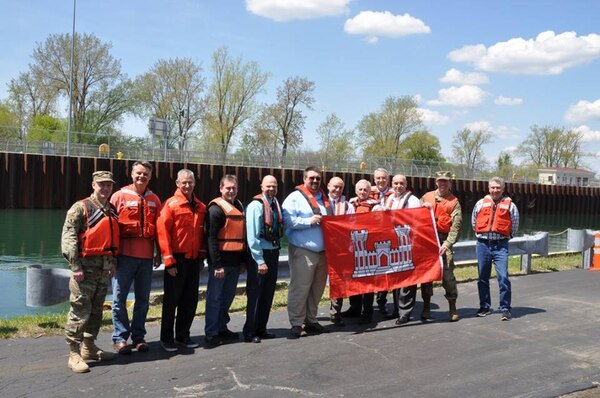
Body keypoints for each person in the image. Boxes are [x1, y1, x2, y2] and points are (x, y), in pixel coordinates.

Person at [62, 171, 118, 373]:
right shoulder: (80, 208)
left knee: (96, 311)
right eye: (101, 184)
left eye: (109, 185)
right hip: (84, 271)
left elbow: (111, 239)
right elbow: (68, 238)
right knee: (79, 310)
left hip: (103, 270)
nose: (105, 188)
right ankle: (74, 353)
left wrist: (113, 261)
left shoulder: (111, 210)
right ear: (93, 184)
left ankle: (89, 347)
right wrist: (75, 266)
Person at [110, 161, 161, 354]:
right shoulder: (118, 196)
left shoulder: (154, 199)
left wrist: (159, 253)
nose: (142, 177)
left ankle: (138, 337)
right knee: (118, 299)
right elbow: (110, 228)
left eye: (146, 174)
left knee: (143, 299)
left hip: (146, 259)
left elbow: (159, 230)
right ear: (132, 174)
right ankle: (120, 337)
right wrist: (112, 257)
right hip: (123, 257)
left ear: (150, 176)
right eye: (139, 173)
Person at [156, 169, 207, 352]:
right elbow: (163, 234)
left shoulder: (201, 207)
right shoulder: (170, 205)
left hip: (193, 261)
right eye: (183, 182)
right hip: (176, 261)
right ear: (177, 183)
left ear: (194, 183)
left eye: (190, 182)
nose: (187, 185)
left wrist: (201, 258)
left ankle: (183, 336)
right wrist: (168, 261)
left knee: (190, 300)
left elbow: (202, 235)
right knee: (171, 301)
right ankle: (167, 338)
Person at [282, 166, 331, 338]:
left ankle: (311, 319)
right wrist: (308, 221)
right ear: (304, 179)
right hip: (303, 250)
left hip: (323, 253)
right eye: (312, 178)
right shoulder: (294, 198)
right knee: (300, 288)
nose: (315, 181)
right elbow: (287, 220)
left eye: (318, 178)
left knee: (317, 289)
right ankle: (296, 323)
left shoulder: (325, 199)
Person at [205, 175, 248, 347]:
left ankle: (222, 327)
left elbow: (242, 236)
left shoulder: (238, 206)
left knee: (228, 297)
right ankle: (211, 333)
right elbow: (211, 239)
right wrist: (216, 264)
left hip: (235, 262)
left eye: (234, 188)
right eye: (228, 188)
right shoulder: (215, 210)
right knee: (214, 298)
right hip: (220, 264)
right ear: (221, 188)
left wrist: (243, 261)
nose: (231, 191)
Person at [472, 176, 520, 321]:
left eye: (498, 188)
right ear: (488, 189)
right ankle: (485, 307)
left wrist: (506, 237)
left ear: (503, 189)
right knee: (482, 278)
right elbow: (474, 221)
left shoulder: (510, 205)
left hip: (500, 245)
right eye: (492, 187)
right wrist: (481, 235)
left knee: (503, 277)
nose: (495, 190)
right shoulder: (480, 203)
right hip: (483, 244)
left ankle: (505, 308)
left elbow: (515, 223)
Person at [243, 175, 283, 343]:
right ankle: (250, 332)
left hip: (273, 253)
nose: (271, 189)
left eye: (274, 186)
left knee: (268, 294)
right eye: (268, 186)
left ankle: (262, 328)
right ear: (261, 186)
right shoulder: (255, 206)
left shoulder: (275, 204)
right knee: (256, 295)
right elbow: (252, 237)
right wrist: (260, 260)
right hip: (260, 256)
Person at [421, 171, 462, 322]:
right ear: (436, 182)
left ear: (450, 183)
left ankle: (452, 307)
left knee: (448, 277)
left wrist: (447, 244)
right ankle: (426, 306)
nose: (442, 184)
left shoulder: (454, 202)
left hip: (444, 242)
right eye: (440, 181)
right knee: (427, 277)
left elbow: (456, 227)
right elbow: (415, 216)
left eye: (445, 181)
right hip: (428, 242)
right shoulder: (426, 197)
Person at [384, 174, 422, 325]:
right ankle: (396, 309)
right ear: (391, 184)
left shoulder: (412, 200)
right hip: (393, 244)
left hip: (407, 243)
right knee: (395, 278)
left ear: (406, 185)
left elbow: (418, 220)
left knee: (407, 280)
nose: (398, 186)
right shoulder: (390, 199)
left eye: (401, 183)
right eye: (395, 183)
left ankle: (405, 312)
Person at [345, 179, 382, 324]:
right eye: (360, 190)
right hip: (352, 247)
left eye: (365, 190)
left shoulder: (376, 207)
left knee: (367, 280)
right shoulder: (350, 204)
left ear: (369, 191)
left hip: (367, 246)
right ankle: (354, 307)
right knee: (353, 279)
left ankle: (367, 312)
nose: (362, 192)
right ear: (356, 191)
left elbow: (378, 224)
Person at [326, 176, 354, 326]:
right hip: (322, 247)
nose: (337, 190)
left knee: (338, 282)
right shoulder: (319, 203)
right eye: (334, 186)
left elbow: (351, 225)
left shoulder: (348, 206)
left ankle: (335, 314)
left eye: (340, 187)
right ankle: (307, 316)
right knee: (314, 283)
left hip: (340, 249)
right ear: (328, 186)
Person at [370, 168, 394, 314]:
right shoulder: (368, 191)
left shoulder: (394, 194)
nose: (381, 181)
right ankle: (363, 305)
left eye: (384, 178)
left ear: (388, 180)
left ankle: (381, 301)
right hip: (370, 235)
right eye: (378, 178)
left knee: (384, 270)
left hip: (387, 236)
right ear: (374, 180)